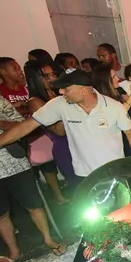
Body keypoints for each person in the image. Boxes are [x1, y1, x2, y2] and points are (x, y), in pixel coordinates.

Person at [0, 64, 65, 259]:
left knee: (34, 203)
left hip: (13, 161)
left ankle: (49, 239)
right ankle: (14, 251)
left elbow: (22, 125)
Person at [0, 69, 131, 184]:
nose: (61, 92)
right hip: (83, 176)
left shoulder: (114, 107)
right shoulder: (60, 104)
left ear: (83, 90)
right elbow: (25, 127)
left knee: (122, 215)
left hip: (115, 172)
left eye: (66, 89)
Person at [24, 60, 74, 200]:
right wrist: (67, 102)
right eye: (47, 76)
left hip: (78, 142)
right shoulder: (36, 101)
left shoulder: (58, 94)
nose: (53, 78)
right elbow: (59, 130)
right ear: (36, 79)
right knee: (79, 186)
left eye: (53, 74)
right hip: (64, 147)